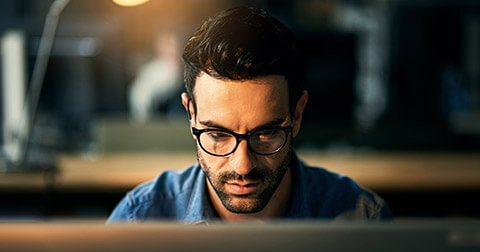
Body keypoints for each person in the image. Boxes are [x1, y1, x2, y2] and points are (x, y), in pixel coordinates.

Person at [107, 6, 392, 223]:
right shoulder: (140, 217)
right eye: (217, 134)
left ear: (298, 114)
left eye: (266, 133)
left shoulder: (361, 219)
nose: (242, 166)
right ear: (190, 114)